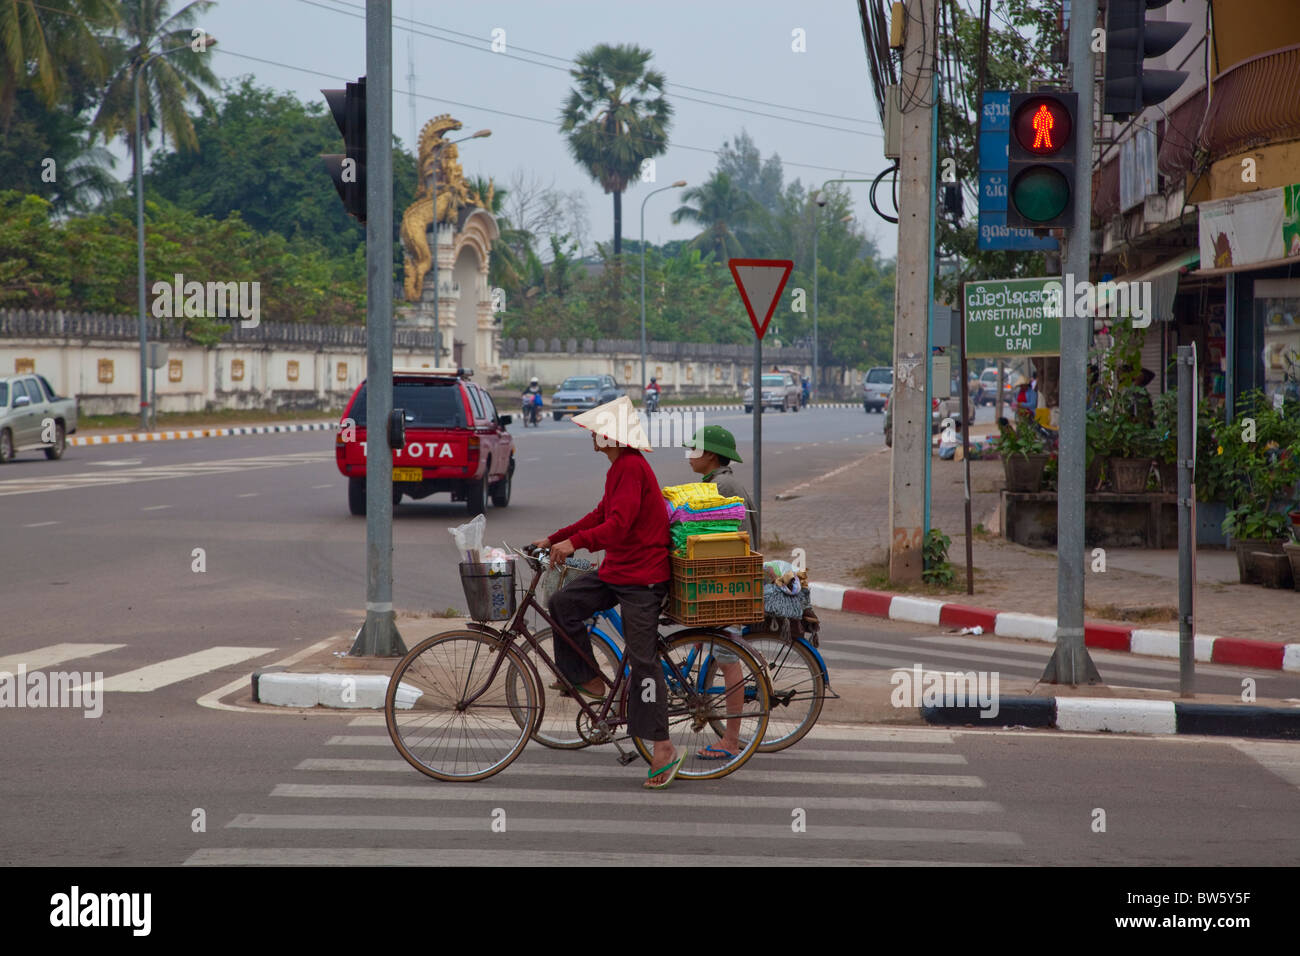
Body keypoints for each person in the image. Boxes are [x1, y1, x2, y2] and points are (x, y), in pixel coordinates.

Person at [530, 395, 681, 789]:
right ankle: (590, 680)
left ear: (613, 436)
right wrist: (555, 537)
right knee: (563, 603)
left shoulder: (631, 467)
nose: (594, 436)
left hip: (643, 578)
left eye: (599, 430)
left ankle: (662, 746)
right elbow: (600, 515)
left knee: (644, 661)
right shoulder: (617, 470)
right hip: (618, 570)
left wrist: (575, 544)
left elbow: (618, 526)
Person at [683, 425, 755, 761]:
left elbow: (727, 541)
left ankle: (730, 740)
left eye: (694, 450)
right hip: (722, 584)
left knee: (729, 663)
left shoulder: (722, 486)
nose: (690, 456)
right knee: (719, 654)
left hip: (728, 585)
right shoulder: (717, 482)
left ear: (710, 454)